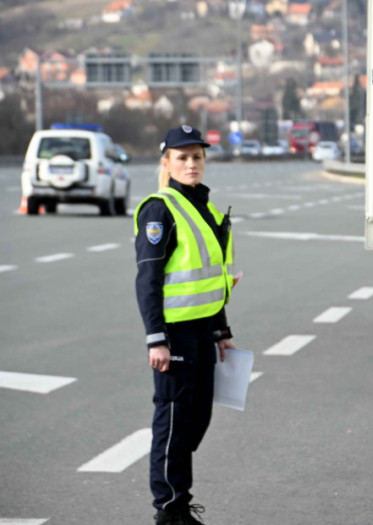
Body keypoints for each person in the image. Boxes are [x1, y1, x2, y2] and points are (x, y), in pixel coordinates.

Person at [134, 125, 237, 525]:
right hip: (173, 333)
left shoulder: (206, 207)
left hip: (201, 331)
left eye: (196, 157)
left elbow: (213, 277)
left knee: (197, 420)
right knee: (174, 419)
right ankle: (170, 509)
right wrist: (155, 338)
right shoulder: (160, 209)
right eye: (182, 158)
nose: (191, 164)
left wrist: (222, 330)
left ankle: (177, 501)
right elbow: (148, 279)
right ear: (167, 163)